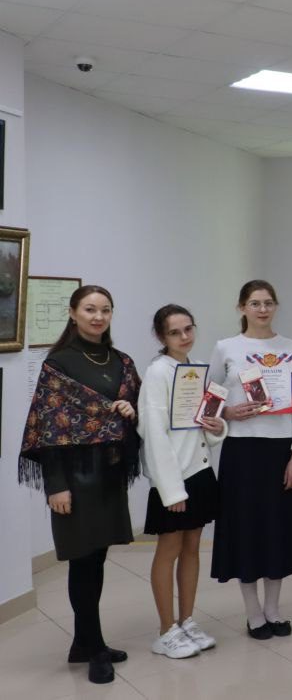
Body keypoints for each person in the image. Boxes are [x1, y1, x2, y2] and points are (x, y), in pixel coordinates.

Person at [19, 286, 140, 684]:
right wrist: (56, 486)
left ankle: (81, 642)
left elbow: (137, 408)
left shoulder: (121, 361)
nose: (98, 316)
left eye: (105, 309)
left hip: (108, 472)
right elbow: (47, 427)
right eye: (89, 309)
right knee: (82, 561)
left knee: (97, 559)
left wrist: (131, 410)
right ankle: (96, 648)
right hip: (74, 476)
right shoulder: (59, 363)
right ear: (73, 313)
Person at [209, 280, 292, 640]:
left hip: (281, 451)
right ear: (242, 308)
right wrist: (227, 412)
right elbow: (209, 399)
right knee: (247, 531)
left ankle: (273, 609)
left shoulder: (291, 348)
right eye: (255, 303)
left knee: (277, 531)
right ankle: (253, 613)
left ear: (276, 306)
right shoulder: (226, 347)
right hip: (241, 452)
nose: (263, 309)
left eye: (268, 302)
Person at [138, 305, 224, 659]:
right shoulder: (157, 372)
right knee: (169, 550)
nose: (184, 337)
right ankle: (165, 630)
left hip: (200, 471)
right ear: (161, 337)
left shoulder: (196, 368)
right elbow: (153, 433)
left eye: (189, 329)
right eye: (175, 332)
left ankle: (186, 620)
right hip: (173, 479)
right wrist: (171, 489)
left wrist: (218, 427)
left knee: (192, 548)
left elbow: (205, 424)